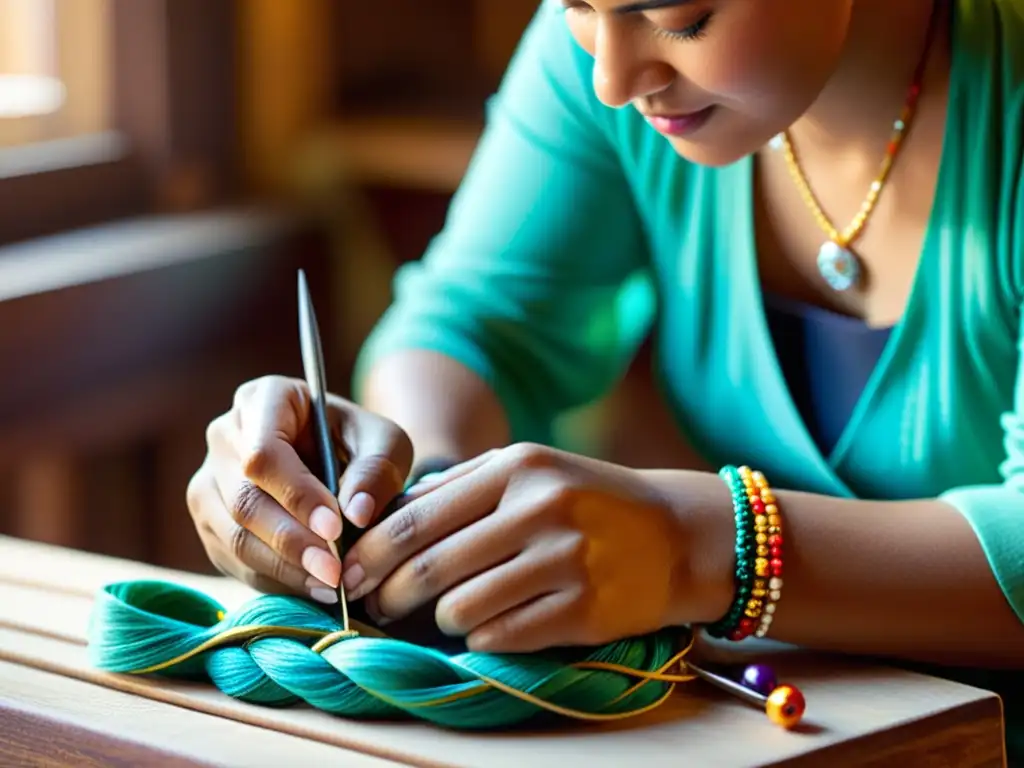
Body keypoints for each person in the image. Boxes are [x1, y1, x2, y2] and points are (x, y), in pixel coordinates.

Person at [186, 0, 1024, 759]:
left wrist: (696, 547)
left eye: (683, 17)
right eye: (575, 5)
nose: (613, 80)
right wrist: (409, 493)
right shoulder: (600, 64)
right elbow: (473, 324)